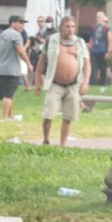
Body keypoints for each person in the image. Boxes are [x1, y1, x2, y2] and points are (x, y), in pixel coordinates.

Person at [34, 16, 91, 146]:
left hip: (73, 84)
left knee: (68, 117)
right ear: (61, 28)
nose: (70, 30)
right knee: (48, 115)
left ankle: (63, 145)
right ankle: (46, 139)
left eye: (72, 27)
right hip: (55, 84)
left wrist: (85, 82)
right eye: (67, 27)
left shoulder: (80, 42)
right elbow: (42, 61)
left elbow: (87, 63)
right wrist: (37, 79)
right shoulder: (51, 40)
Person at [0, 15, 33, 121]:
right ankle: (4, 118)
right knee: (8, 95)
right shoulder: (16, 35)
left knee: (9, 92)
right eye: (20, 23)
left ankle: (11, 115)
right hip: (12, 69)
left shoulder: (3, 34)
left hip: (2, 68)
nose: (22, 26)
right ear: (13, 22)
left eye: (23, 24)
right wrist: (28, 63)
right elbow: (20, 50)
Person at [88, 11, 112, 86]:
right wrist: (90, 47)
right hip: (94, 50)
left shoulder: (107, 28)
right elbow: (92, 38)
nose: (98, 19)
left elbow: (109, 40)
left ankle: (102, 83)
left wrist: (108, 51)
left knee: (103, 68)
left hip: (103, 50)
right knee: (93, 67)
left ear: (103, 18)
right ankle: (93, 82)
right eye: (97, 18)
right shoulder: (93, 28)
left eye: (99, 18)